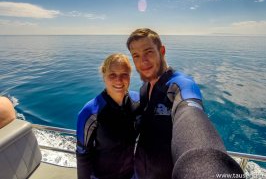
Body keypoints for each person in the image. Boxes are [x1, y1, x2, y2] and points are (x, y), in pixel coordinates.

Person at [127, 28, 244, 179]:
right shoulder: (144, 89)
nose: (143, 61)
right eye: (136, 55)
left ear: (162, 51)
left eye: (148, 51)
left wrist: (206, 165)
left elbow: (191, 118)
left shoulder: (180, 86)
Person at [76, 53, 139, 179]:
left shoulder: (138, 102)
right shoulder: (90, 112)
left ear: (130, 76)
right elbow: (83, 154)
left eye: (124, 74)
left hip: (131, 174)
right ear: (104, 76)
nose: (119, 80)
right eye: (112, 75)